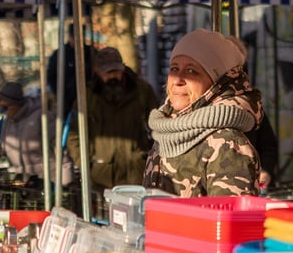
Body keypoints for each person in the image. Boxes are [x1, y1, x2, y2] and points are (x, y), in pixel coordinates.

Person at [143, 29, 264, 197]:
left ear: (216, 84)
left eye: (192, 71)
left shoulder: (226, 144)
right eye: (174, 68)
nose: (178, 80)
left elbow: (227, 220)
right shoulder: (164, 134)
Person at [67, 46, 159, 191]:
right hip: (101, 177)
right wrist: (85, 163)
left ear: (122, 68)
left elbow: (158, 127)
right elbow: (73, 135)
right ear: (97, 72)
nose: (112, 76)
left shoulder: (143, 91)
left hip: (137, 174)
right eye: (107, 73)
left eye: (116, 71)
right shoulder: (87, 97)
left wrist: (151, 159)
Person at [0, 82, 71, 186]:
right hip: (25, 182)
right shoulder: (6, 125)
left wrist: (65, 183)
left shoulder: (42, 117)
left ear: (16, 104)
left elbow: (61, 152)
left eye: (6, 108)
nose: (4, 112)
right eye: (1, 109)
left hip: (50, 181)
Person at [47, 24, 94, 117]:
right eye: (74, 37)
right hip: (66, 100)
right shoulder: (59, 54)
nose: (76, 40)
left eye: (80, 37)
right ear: (70, 37)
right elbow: (51, 77)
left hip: (88, 98)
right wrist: (60, 94)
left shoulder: (90, 53)